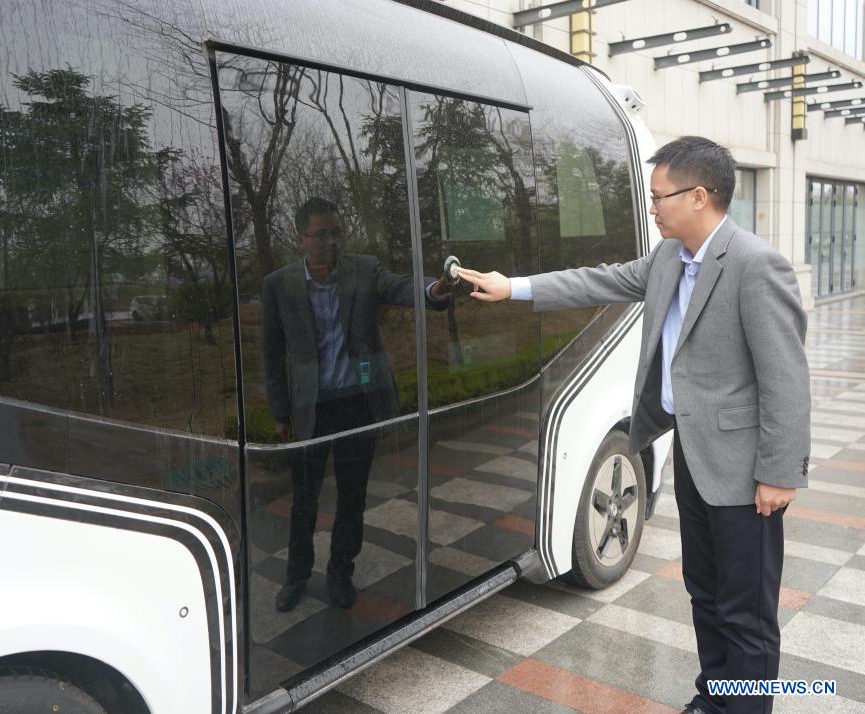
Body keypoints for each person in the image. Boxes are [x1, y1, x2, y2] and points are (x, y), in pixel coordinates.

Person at [457, 136, 810, 714]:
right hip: (693, 457)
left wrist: (779, 473)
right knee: (705, 592)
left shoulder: (754, 265)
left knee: (746, 608)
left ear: (698, 196)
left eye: (658, 195)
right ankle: (715, 697)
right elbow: (595, 280)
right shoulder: (668, 259)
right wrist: (512, 287)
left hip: (746, 473)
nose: (651, 206)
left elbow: (787, 380)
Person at [261, 197, 449, 612]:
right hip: (311, 409)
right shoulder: (280, 284)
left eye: (336, 232)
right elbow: (271, 353)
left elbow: (401, 286)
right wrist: (279, 414)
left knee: (352, 498)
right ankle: (295, 577)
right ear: (301, 238)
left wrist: (433, 290)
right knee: (304, 502)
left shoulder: (363, 270)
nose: (330, 241)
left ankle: (340, 574)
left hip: (356, 406)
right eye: (321, 234)